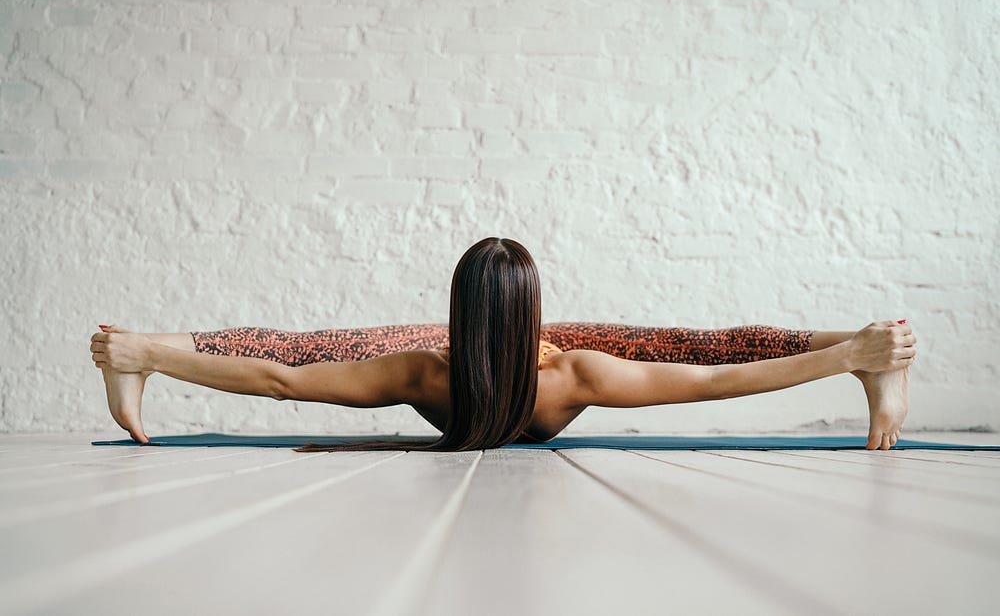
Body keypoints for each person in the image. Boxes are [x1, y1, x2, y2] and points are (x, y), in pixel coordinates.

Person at [89, 237, 915, 452]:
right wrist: (838, 360)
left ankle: (138, 347)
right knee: (701, 342)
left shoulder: (425, 368)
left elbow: (278, 377)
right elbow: (704, 380)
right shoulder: (574, 370)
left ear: (457, 313)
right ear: (534, 315)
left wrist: (157, 357)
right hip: (540, 360)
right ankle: (873, 347)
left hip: (468, 362)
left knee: (309, 345)